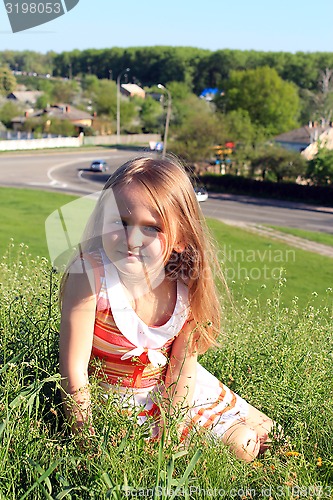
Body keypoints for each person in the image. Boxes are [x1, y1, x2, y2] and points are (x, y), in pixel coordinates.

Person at [59, 155, 277, 462]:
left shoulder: (186, 288)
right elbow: (74, 371)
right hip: (115, 402)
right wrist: (85, 438)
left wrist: (171, 432)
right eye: (120, 222)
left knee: (259, 436)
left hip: (174, 392)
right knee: (239, 447)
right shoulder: (91, 277)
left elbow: (181, 373)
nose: (131, 239)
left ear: (181, 238)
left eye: (151, 228)